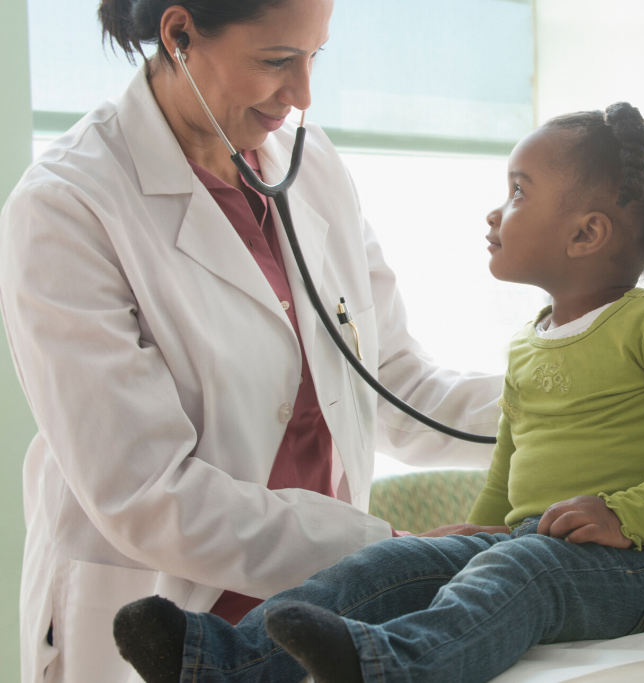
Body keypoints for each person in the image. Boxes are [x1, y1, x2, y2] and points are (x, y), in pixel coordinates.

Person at [111, 101, 644, 683]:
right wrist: (480, 526)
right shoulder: (530, 341)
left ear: (586, 235)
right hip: (538, 542)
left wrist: (629, 515)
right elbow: (512, 454)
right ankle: (222, 662)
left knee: (518, 572)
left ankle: (393, 666)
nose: (496, 211)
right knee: (393, 566)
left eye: (519, 192)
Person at [0, 1, 508, 681]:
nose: (302, 95)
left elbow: (394, 384)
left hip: (311, 615)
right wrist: (388, 551)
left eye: (314, 57)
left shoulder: (313, 168)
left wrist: (567, 403)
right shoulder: (69, 204)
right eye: (276, 61)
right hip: (159, 612)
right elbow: (148, 491)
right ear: (179, 35)